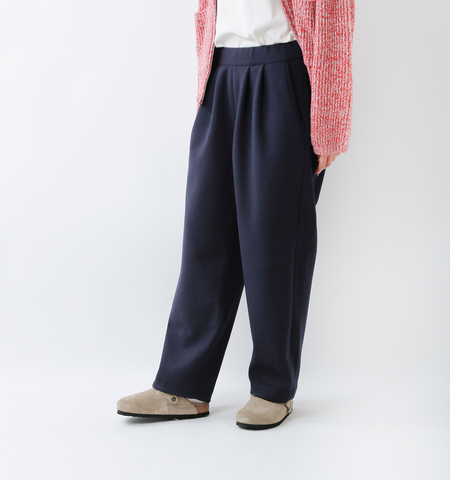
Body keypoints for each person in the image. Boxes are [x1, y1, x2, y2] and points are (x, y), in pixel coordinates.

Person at [117, 0, 355, 430]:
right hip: (221, 70)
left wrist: (331, 120)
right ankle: (184, 385)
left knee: (274, 242)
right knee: (206, 236)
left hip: (283, 68)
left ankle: (274, 388)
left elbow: (334, 14)